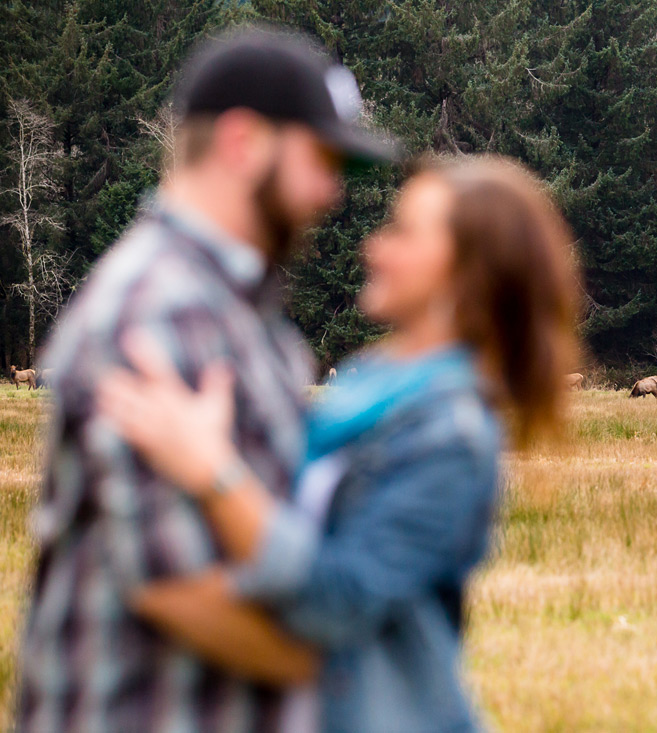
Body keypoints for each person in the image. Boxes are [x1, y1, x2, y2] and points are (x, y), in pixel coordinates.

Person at [93, 154, 581, 732]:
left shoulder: (453, 437)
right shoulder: (367, 388)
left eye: (402, 232)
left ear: (465, 270)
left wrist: (213, 475)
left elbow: (337, 601)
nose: (375, 248)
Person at [18, 26, 400, 732]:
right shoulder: (160, 310)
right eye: (319, 160)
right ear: (243, 143)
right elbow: (184, 586)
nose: (331, 193)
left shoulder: (238, 312)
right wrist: (382, 669)